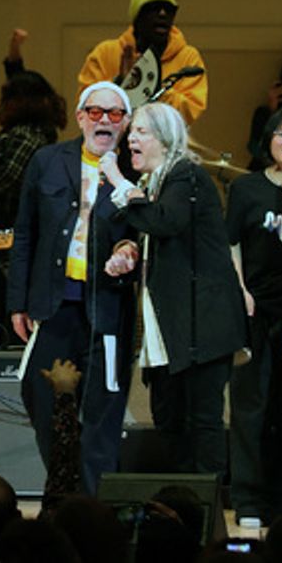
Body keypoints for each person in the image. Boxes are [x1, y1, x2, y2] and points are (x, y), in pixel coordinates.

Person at [99, 101, 246, 475]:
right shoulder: (156, 182)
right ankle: (184, 504)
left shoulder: (186, 175)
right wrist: (127, 250)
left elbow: (166, 222)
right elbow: (146, 233)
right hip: (170, 326)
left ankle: (207, 512)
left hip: (202, 322)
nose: (130, 138)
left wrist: (118, 182)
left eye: (141, 132)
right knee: (169, 418)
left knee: (203, 420)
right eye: (131, 132)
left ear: (165, 140)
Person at [6, 81, 137, 494]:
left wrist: (129, 252)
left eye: (114, 114)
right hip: (54, 302)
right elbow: (24, 233)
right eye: (95, 112)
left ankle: (94, 503)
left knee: (102, 411)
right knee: (41, 396)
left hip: (109, 307)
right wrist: (17, 302)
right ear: (80, 117)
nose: (104, 120)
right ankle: (65, 488)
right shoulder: (48, 161)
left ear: (126, 123)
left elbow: (145, 234)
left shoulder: (136, 168)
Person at [224, 107, 282, 521]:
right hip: (254, 311)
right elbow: (232, 244)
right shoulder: (246, 189)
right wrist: (240, 289)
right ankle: (247, 498)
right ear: (267, 141)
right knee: (249, 409)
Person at [0, 70, 67, 343]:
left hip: (9, 243)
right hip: (17, 241)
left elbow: (6, 180)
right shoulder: (43, 136)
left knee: (12, 322)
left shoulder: (24, 137)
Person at [78, 0, 207, 123]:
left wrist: (156, 89)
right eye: (154, 8)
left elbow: (190, 110)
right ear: (137, 17)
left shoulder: (188, 57)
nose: (163, 14)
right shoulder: (105, 53)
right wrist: (121, 84)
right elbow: (87, 107)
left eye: (169, 10)